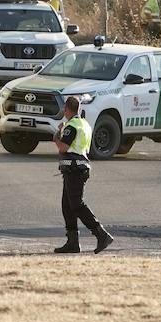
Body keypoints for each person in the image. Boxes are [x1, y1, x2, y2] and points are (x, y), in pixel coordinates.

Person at [53, 95, 114, 254]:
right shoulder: (84, 124)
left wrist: (57, 135)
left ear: (66, 109)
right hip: (78, 168)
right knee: (67, 206)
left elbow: (63, 148)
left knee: (76, 205)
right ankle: (72, 242)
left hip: (75, 169)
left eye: (64, 109)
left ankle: (101, 234)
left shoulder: (71, 126)